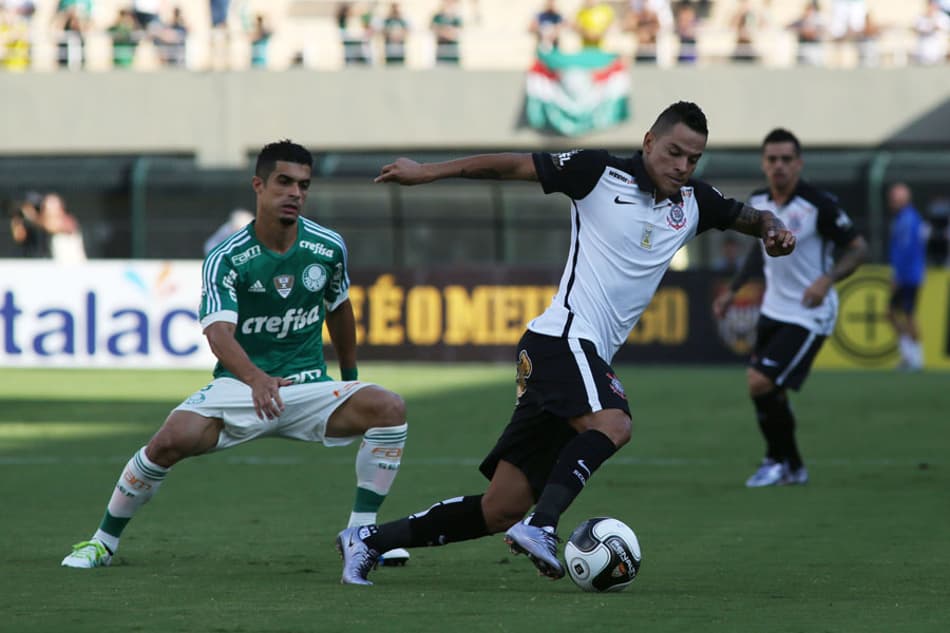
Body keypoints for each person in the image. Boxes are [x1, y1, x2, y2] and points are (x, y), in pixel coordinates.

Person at [335, 101, 796, 586]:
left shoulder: (694, 202)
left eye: (693, 159)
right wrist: (428, 172)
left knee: (499, 508)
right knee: (614, 423)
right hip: (562, 337)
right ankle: (542, 525)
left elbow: (750, 215)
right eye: (674, 152)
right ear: (648, 142)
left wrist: (772, 230)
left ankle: (367, 541)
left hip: (570, 354)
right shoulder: (598, 173)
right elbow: (510, 165)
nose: (681, 166)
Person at [62, 140, 409, 569]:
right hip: (239, 386)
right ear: (258, 186)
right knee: (169, 441)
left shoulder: (328, 246)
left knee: (389, 408)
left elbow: (338, 310)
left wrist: (350, 376)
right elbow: (219, 333)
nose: (295, 193)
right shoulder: (226, 256)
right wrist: (256, 379)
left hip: (307, 386)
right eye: (284, 182)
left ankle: (362, 535)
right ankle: (102, 542)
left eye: (303, 185)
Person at [713, 128, 868, 488]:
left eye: (786, 159)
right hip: (773, 309)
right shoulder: (759, 201)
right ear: (764, 164)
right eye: (772, 159)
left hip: (810, 312)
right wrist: (733, 290)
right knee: (771, 392)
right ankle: (793, 467)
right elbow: (757, 252)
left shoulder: (819, 204)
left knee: (759, 382)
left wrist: (826, 280)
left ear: (798, 163)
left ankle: (774, 461)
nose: (779, 166)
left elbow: (859, 248)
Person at [886, 182, 927, 371]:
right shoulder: (904, 218)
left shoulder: (908, 220)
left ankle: (916, 358)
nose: (891, 202)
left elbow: (907, 251)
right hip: (908, 274)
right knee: (892, 314)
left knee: (908, 315)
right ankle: (909, 355)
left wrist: (898, 276)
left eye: (895, 198)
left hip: (909, 276)